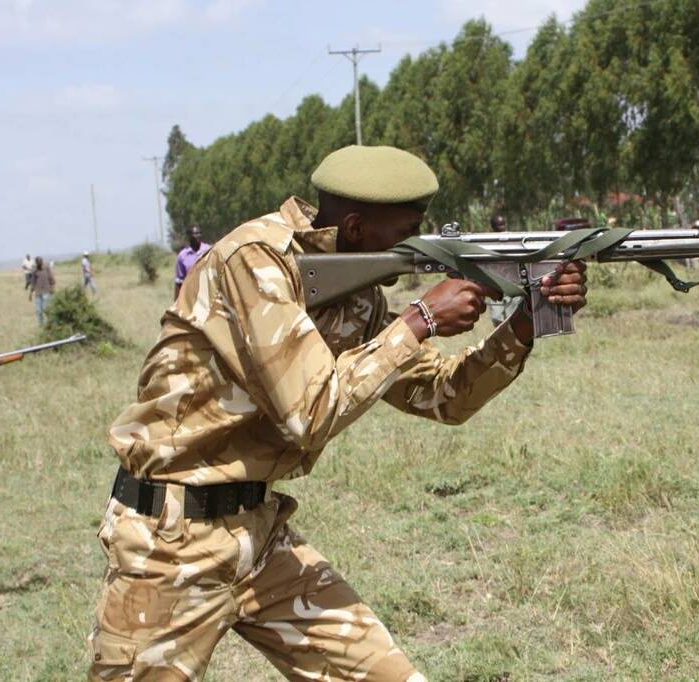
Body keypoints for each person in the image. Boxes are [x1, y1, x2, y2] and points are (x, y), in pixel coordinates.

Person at [86, 145, 588, 681]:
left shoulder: (358, 298)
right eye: (410, 231)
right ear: (354, 227)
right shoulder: (253, 261)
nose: (421, 247)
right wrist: (419, 318)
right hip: (169, 544)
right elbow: (308, 412)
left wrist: (523, 326)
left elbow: (445, 396)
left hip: (259, 537)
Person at [175, 224, 210, 298]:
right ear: (189, 235)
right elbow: (179, 282)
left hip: (207, 294)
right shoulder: (183, 256)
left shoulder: (208, 250)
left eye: (199, 233)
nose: (198, 235)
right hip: (190, 296)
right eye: (195, 233)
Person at [30, 257, 55, 324]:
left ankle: (49, 323)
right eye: (38, 262)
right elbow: (33, 282)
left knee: (45, 309)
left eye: (40, 262)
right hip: (38, 293)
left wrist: (52, 288)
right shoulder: (34, 271)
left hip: (46, 291)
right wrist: (30, 293)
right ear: (36, 263)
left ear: (42, 262)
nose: (39, 264)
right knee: (39, 311)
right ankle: (41, 325)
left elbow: (51, 279)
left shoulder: (46, 268)